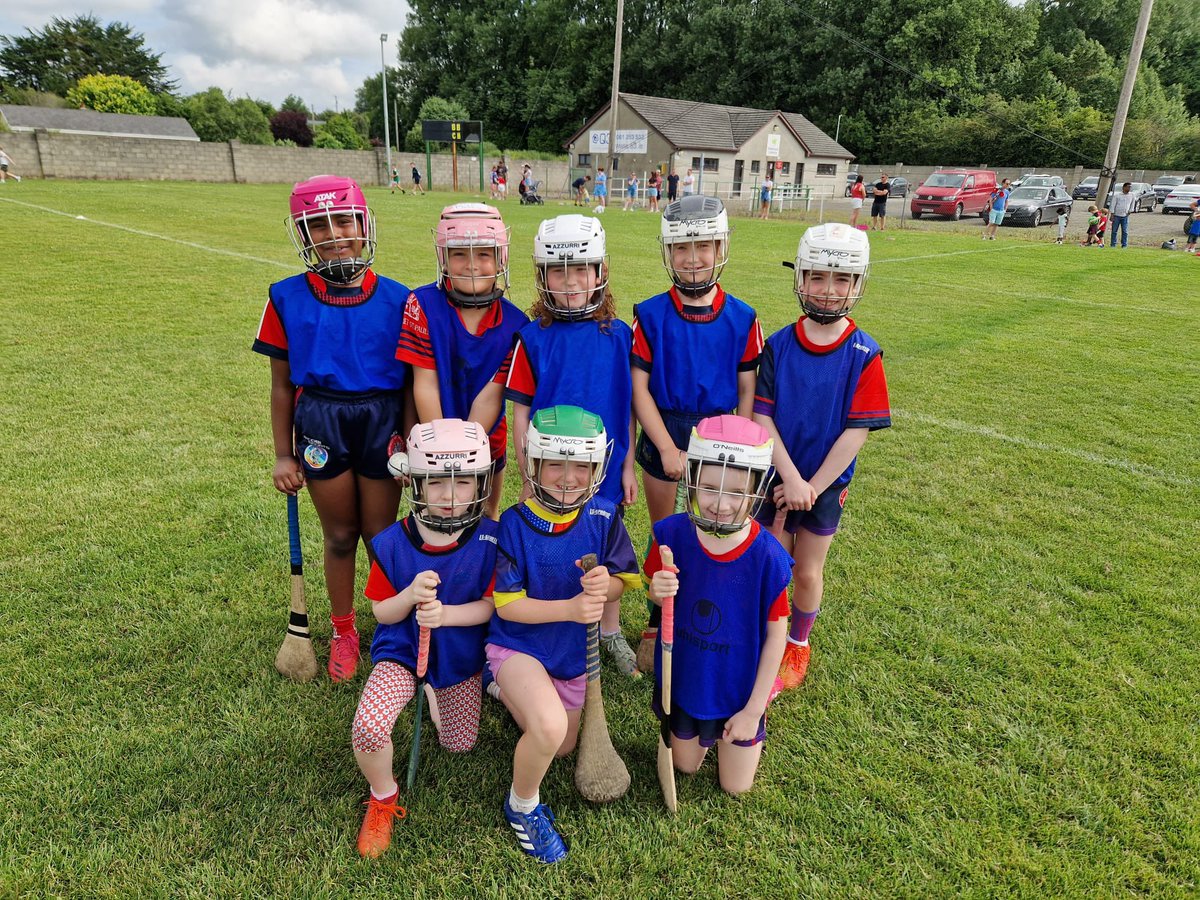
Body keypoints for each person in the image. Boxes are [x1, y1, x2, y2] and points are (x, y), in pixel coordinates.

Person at [253, 175, 410, 682]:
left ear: (364, 225)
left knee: (381, 534)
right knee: (340, 533)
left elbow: (411, 383)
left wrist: (411, 439)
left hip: (381, 419)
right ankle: (344, 629)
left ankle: (390, 627)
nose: (333, 233)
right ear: (303, 234)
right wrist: (283, 453)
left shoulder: (398, 298)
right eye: (318, 225)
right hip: (321, 422)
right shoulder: (284, 298)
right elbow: (281, 386)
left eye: (343, 220)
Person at [471, 214, 640, 677]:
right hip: (548, 468)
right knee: (549, 546)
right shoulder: (532, 338)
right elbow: (520, 410)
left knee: (603, 544)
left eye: (581, 269)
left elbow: (628, 404)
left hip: (601, 467)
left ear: (600, 272)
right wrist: (527, 475)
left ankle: (609, 629)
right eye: (559, 271)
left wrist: (627, 468)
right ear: (542, 276)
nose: (570, 282)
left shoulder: (620, 336)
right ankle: (554, 621)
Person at [487, 406, 640, 862]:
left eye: (581, 466)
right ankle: (522, 806)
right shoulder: (514, 522)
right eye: (556, 463)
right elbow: (509, 606)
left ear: (597, 467)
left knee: (561, 745)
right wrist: (572, 608)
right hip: (518, 644)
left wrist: (604, 584)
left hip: (570, 655)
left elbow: (623, 580)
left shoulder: (604, 515)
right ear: (533, 463)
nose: (569, 478)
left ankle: (496, 691)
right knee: (549, 727)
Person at [753, 223, 891, 691]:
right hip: (776, 476)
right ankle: (763, 637)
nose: (828, 291)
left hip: (826, 485)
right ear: (800, 278)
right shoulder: (778, 346)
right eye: (817, 277)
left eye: (841, 280)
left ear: (858, 284)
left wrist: (811, 486)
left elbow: (856, 432)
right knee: (771, 561)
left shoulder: (864, 354)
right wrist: (790, 478)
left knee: (808, 570)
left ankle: (797, 645)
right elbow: (763, 420)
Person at [352, 419, 497, 858]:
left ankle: (433, 694)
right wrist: (409, 597)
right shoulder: (394, 542)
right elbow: (380, 610)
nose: (450, 497)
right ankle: (382, 797)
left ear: (480, 484)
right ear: (414, 481)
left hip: (458, 658)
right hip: (401, 652)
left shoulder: (490, 540)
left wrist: (446, 614)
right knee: (370, 728)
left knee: (459, 744)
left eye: (463, 483)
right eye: (436, 483)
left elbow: (493, 606)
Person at [631, 196, 763, 673]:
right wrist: (666, 446)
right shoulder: (649, 315)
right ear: (668, 251)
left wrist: (740, 443)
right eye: (682, 246)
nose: (692, 257)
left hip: (721, 434)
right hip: (664, 429)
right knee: (665, 532)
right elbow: (638, 388)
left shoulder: (743, 316)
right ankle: (655, 617)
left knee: (718, 530)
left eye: (702, 245)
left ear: (720, 246)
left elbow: (747, 386)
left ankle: (707, 618)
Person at [644, 415, 793, 795]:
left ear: (756, 490)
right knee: (685, 767)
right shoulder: (671, 534)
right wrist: (658, 590)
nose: (721, 505)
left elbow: (777, 636)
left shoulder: (768, 556)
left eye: (736, 492)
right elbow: (652, 593)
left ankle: (746, 717)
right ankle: (697, 732)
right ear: (692, 478)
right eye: (710, 487)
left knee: (735, 787)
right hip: (688, 684)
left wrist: (753, 709)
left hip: (738, 689)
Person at [395, 204, 529, 520]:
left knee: (485, 521)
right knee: (437, 523)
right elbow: (424, 384)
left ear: (501, 258)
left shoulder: (516, 323)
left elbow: (490, 398)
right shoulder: (422, 303)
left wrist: (467, 455)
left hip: (486, 442)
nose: (471, 265)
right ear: (443, 257)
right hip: (432, 436)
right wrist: (442, 453)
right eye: (459, 254)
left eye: (483, 254)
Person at [1109, 183, 1135, 248]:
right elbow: (1113, 204)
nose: (1129, 189)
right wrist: (1112, 214)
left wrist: (1130, 211)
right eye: (1128, 187)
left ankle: (1124, 245)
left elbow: (1132, 203)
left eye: (1130, 187)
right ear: (1124, 187)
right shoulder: (1117, 195)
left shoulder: (1131, 195)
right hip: (1116, 215)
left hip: (1125, 216)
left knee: (1124, 231)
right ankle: (1113, 244)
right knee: (1114, 230)